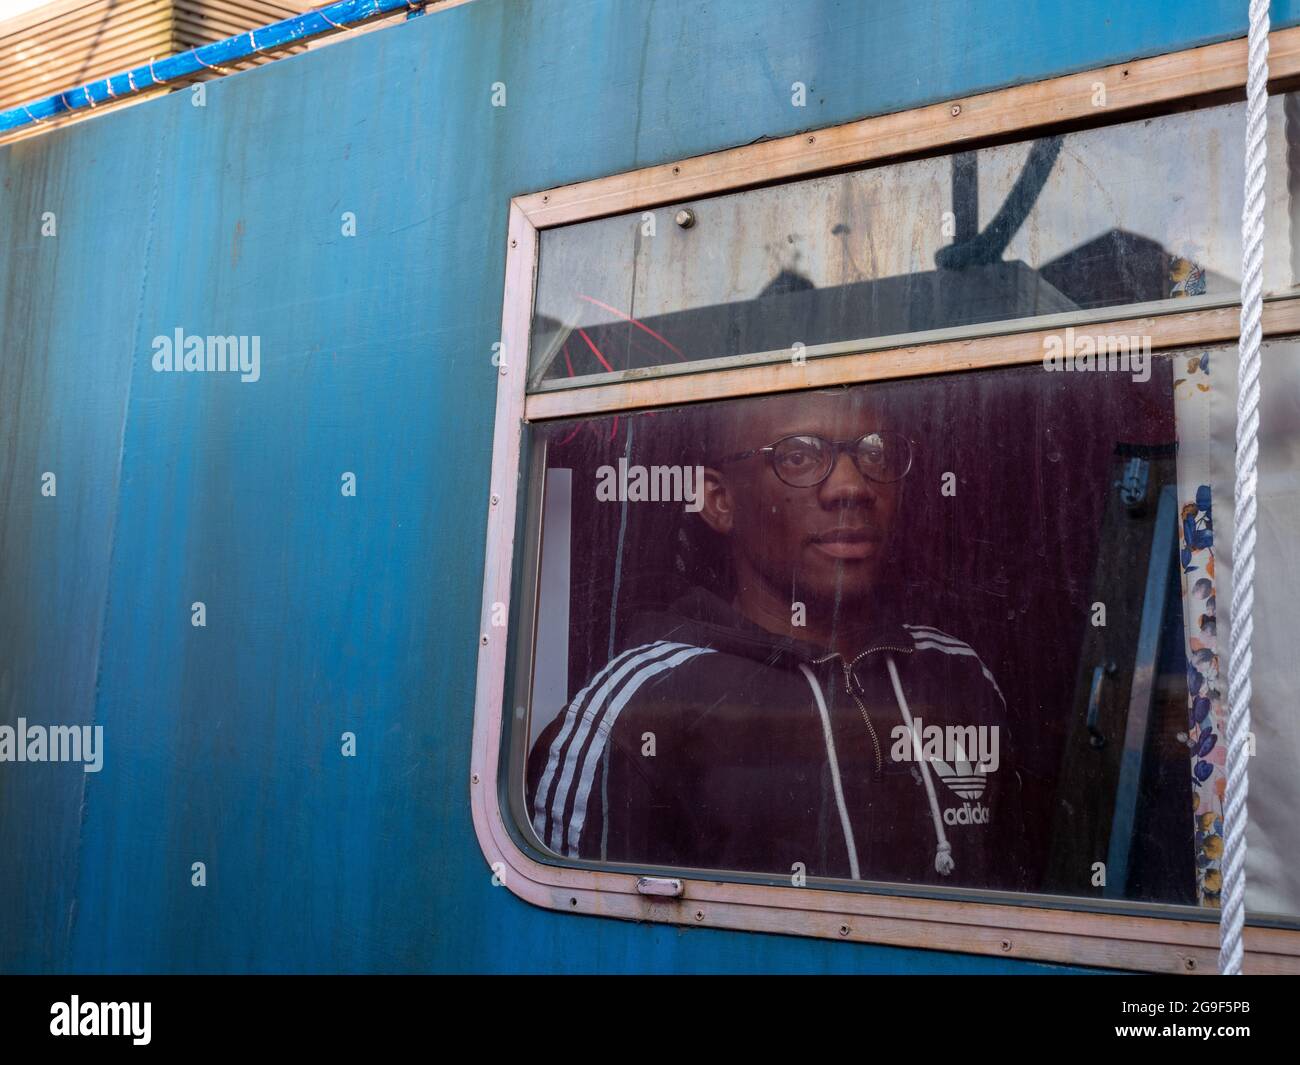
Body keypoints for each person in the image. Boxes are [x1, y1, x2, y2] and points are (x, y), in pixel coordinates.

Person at [526, 386, 1028, 889]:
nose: (852, 487)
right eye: (799, 456)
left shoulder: (956, 673)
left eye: (876, 453)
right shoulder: (637, 707)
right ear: (720, 502)